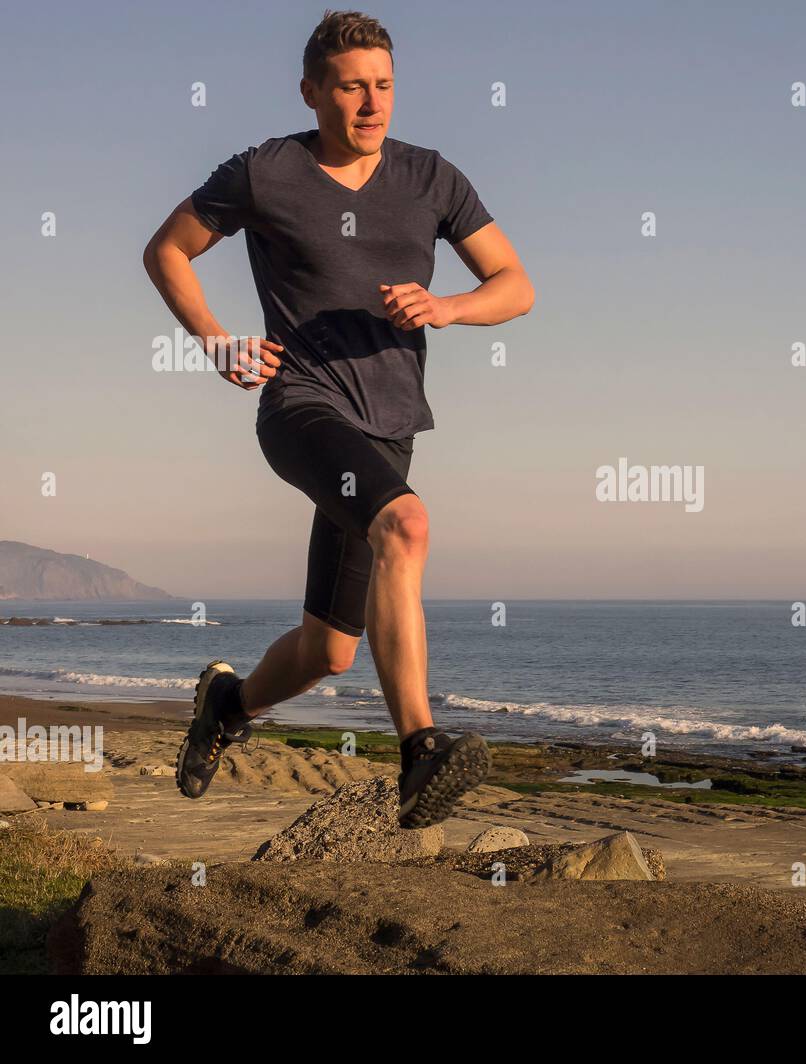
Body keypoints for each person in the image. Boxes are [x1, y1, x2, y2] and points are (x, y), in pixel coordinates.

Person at [141, 9, 533, 827]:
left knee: (329, 650)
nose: (371, 104)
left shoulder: (432, 178)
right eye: (352, 87)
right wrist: (215, 342)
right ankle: (421, 750)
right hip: (301, 404)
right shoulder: (265, 172)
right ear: (312, 90)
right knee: (408, 527)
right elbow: (167, 249)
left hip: (388, 423)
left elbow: (515, 284)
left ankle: (227, 705)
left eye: (384, 86)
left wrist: (447, 306)